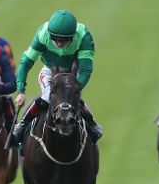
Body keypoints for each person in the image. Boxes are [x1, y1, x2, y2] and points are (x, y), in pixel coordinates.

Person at [11, 8, 102, 145]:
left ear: (72, 36)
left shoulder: (84, 37)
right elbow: (26, 62)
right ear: (50, 34)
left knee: (71, 98)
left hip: (73, 72)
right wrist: (21, 90)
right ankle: (23, 125)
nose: (59, 43)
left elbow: (85, 70)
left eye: (64, 40)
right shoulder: (43, 34)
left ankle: (92, 124)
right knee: (48, 96)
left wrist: (74, 88)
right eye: (55, 39)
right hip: (49, 71)